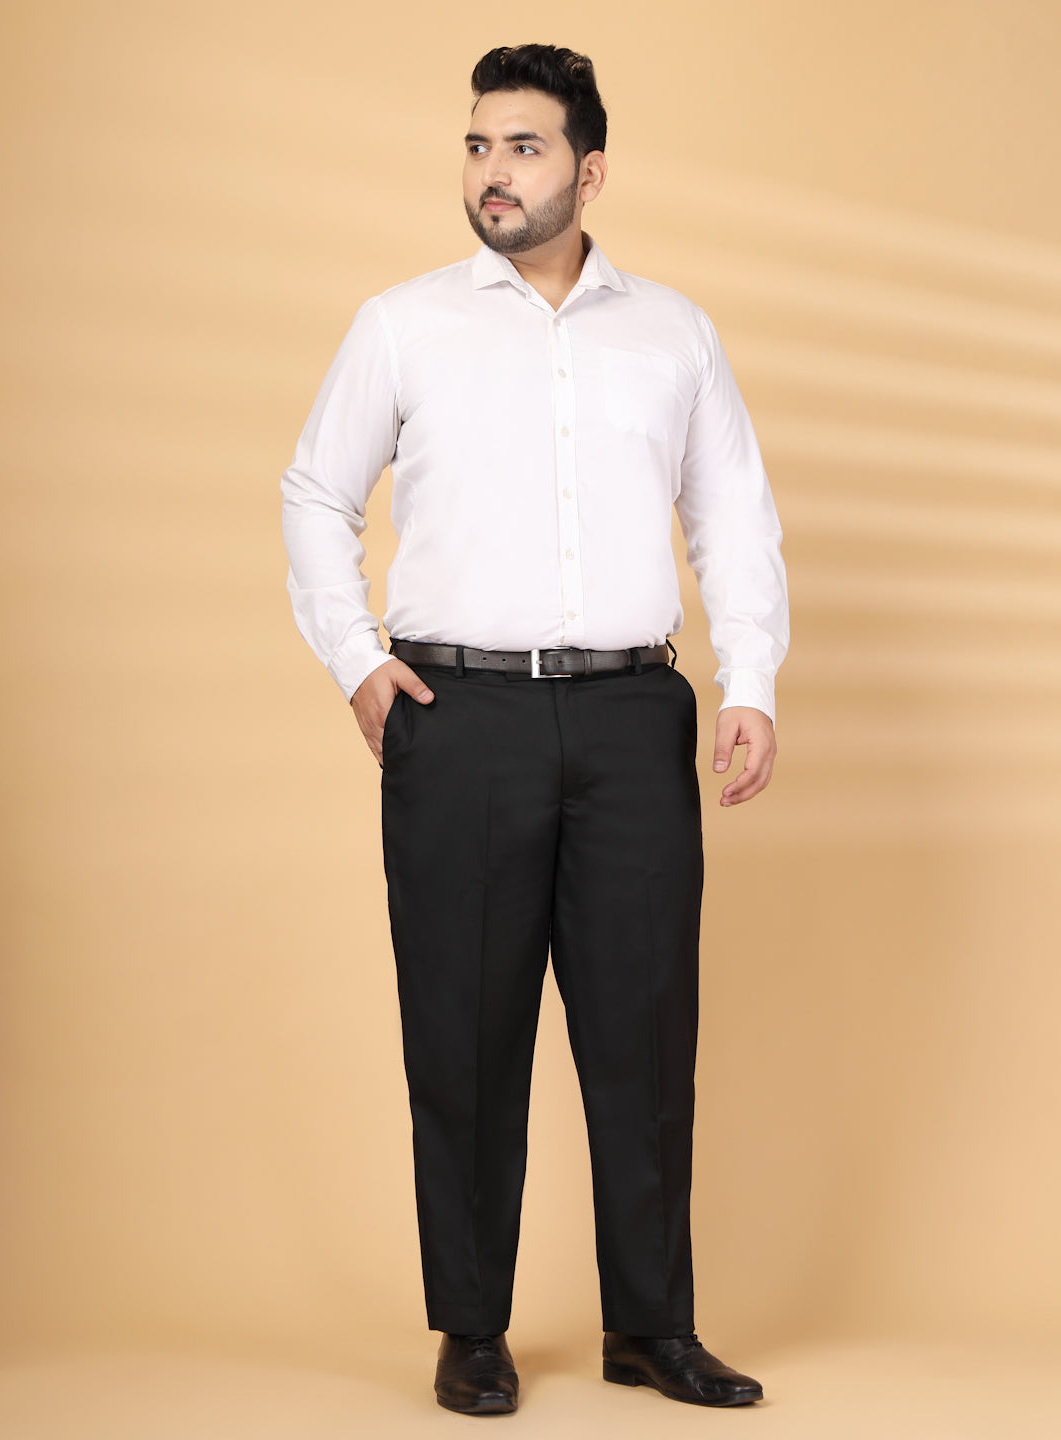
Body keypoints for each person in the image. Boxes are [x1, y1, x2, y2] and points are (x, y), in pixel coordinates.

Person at [279, 42, 789, 1416]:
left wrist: (749, 682)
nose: (492, 172)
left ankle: (652, 1327)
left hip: (631, 715)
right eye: (477, 145)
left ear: (590, 170)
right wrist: (356, 661)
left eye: (523, 147)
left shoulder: (673, 332)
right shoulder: (403, 324)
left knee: (646, 1029)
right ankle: (471, 1329)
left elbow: (732, 512)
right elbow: (315, 492)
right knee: (463, 1033)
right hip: (461, 718)